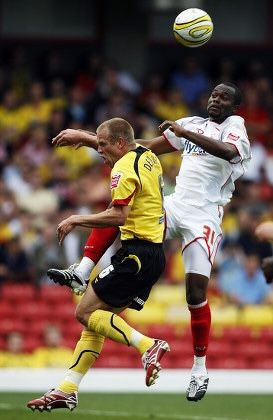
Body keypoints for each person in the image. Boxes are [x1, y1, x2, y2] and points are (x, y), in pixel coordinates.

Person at [45, 82, 251, 401]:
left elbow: (228, 152)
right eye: (213, 94)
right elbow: (139, 146)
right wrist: (88, 138)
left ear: (234, 107)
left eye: (224, 97)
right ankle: (83, 270)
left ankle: (199, 368)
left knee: (195, 292)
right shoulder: (191, 123)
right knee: (124, 209)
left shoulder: (234, 129)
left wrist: (184, 136)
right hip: (176, 203)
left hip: (205, 214)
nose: (216, 99)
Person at [27, 117, 169, 412]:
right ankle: (67, 389)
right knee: (96, 322)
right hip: (152, 255)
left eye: (103, 145)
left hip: (135, 255)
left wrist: (77, 218)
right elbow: (128, 144)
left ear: (119, 144)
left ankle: (147, 345)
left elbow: (118, 217)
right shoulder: (148, 156)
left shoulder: (122, 168)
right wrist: (86, 136)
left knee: (84, 312)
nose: (99, 150)